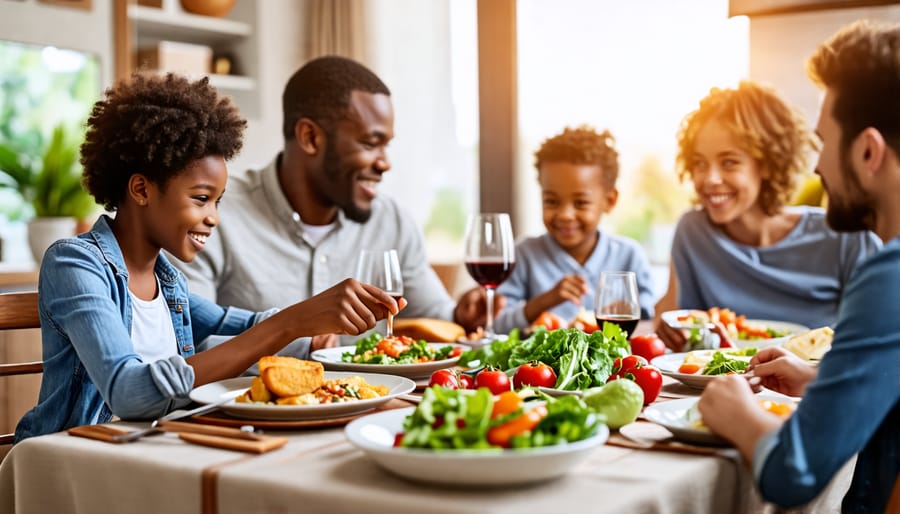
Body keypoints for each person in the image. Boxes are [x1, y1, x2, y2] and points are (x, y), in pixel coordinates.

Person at [15, 74, 400, 442]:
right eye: (201, 198)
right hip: (69, 456)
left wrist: (314, 333)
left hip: (154, 447)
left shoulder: (169, 284)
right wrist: (290, 324)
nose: (214, 217)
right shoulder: (75, 265)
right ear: (141, 189)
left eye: (217, 201)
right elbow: (129, 393)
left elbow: (243, 325)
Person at [698, 20, 900, 513]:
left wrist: (737, 413)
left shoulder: (888, 276)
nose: (817, 167)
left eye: (825, 141)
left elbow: (794, 472)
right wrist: (822, 378)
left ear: (868, 151)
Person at [172, 55, 494, 351]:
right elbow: (188, 341)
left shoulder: (391, 220)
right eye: (371, 143)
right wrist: (302, 345)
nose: (384, 163)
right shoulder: (214, 213)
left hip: (371, 409)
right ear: (311, 138)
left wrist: (462, 315)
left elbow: (435, 315)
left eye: (387, 146)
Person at [653, 80, 880, 351]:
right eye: (699, 163)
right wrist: (669, 326)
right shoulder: (693, 231)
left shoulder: (843, 236)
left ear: (769, 164)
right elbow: (675, 325)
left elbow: (875, 340)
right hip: (727, 383)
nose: (710, 179)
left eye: (729, 162)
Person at [493, 126, 654, 334]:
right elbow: (496, 325)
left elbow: (648, 325)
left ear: (609, 201)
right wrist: (544, 301)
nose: (565, 215)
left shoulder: (629, 256)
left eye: (580, 203)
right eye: (551, 201)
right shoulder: (523, 254)